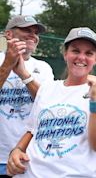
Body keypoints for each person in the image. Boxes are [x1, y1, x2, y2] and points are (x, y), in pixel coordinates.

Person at [6, 27, 96, 177]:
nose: (81, 57)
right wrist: (17, 150)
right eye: (76, 51)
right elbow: (32, 130)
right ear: (65, 54)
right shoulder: (46, 89)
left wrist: (95, 99)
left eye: (89, 53)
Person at [0, 15, 54, 177]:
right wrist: (7, 65)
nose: (33, 35)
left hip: (26, 158)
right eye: (27, 30)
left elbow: (48, 106)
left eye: (36, 32)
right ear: (9, 34)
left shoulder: (43, 68)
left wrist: (24, 75)